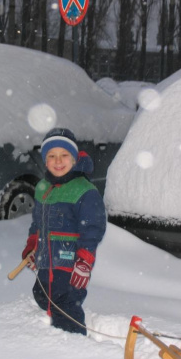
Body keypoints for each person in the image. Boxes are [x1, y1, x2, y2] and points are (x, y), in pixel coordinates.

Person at [21, 127, 107, 335]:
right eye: (52, 156)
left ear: (75, 158)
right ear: (45, 160)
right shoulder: (43, 187)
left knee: (65, 304)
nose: (58, 161)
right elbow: (37, 223)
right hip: (45, 257)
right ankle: (53, 325)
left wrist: (84, 261)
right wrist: (32, 245)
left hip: (69, 261)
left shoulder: (84, 191)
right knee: (41, 293)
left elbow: (93, 229)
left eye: (64, 155)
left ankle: (72, 344)